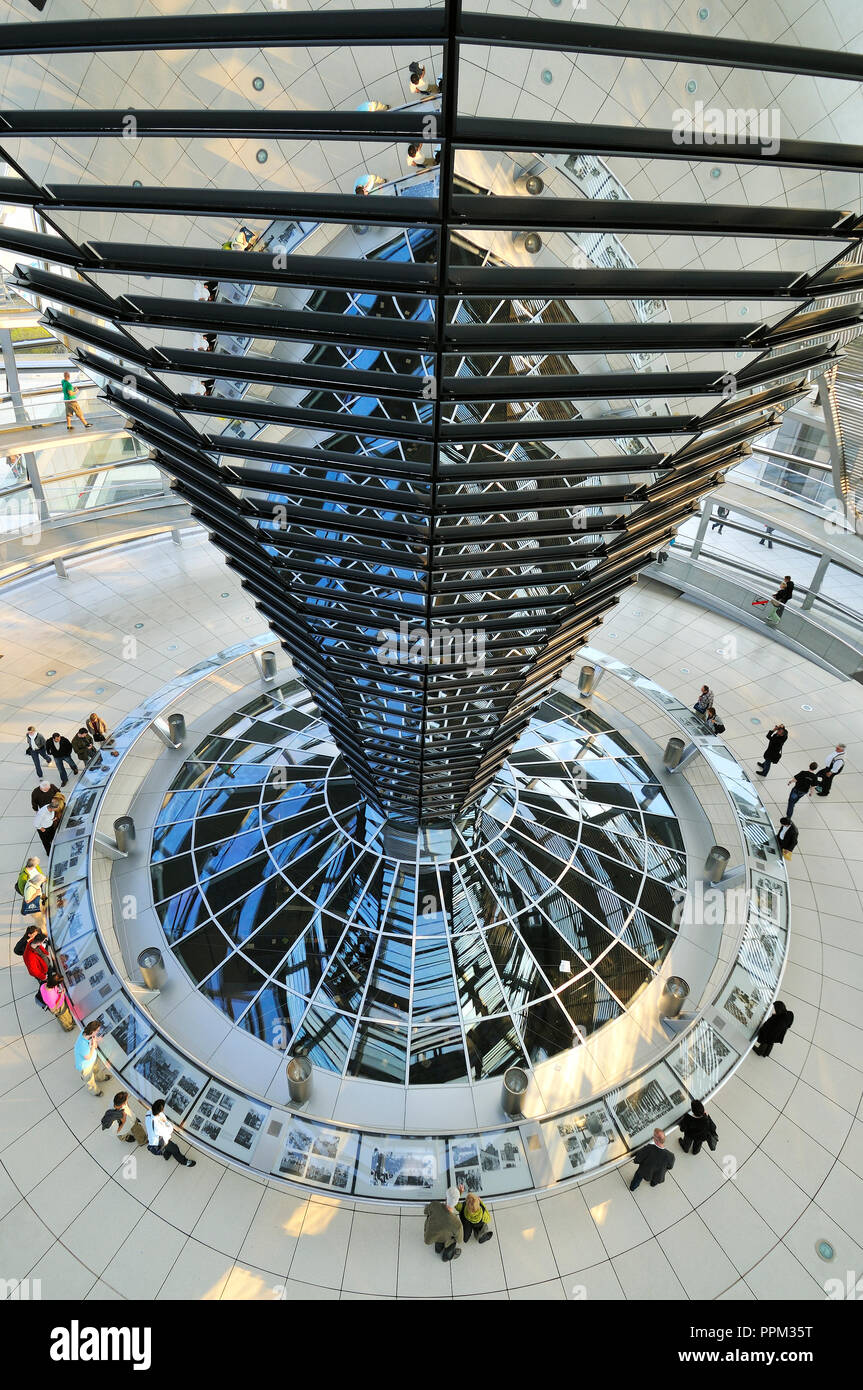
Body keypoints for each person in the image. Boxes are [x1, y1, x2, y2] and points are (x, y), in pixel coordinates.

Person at [145, 1099, 196, 1167]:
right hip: (160, 1141)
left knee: (166, 1150)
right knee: (175, 1149)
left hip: (154, 1139)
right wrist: (166, 1122)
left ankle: (166, 1155)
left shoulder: (148, 1113)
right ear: (161, 1110)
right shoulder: (158, 1126)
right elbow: (169, 1130)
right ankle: (184, 1162)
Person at [423, 1186, 462, 1261]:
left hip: (435, 1236)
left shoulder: (434, 1205)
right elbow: (459, 1240)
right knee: (452, 1244)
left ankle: (438, 1250)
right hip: (446, 1239)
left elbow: (426, 1211)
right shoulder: (457, 1224)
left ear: (446, 1198)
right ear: (456, 1203)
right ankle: (446, 1257)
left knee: (438, 1243)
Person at [74, 1021, 111, 1096]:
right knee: (89, 1080)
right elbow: (88, 1057)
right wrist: (93, 1046)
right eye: (97, 1030)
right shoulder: (82, 1044)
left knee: (96, 1070)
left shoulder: (86, 1032)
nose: (98, 1032)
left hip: (93, 1060)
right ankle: (95, 1092)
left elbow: (92, 1039)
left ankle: (100, 1078)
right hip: (85, 1066)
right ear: (92, 1031)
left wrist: (96, 1039)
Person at [22, 924, 53, 1007]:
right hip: (43, 972)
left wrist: (46, 953)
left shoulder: (33, 942)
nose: (43, 943)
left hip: (45, 966)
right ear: (39, 942)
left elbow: (41, 948)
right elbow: (33, 971)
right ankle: (41, 1000)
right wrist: (43, 977)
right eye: (43, 942)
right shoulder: (29, 956)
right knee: (46, 985)